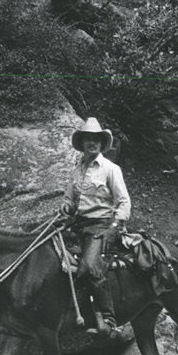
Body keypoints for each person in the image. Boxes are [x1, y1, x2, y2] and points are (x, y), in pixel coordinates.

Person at [58, 117, 130, 338]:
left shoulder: (110, 169)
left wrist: (115, 226)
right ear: (83, 143)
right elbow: (69, 199)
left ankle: (109, 319)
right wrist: (65, 207)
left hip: (101, 226)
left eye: (96, 139)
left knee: (89, 266)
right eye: (89, 139)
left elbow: (124, 202)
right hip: (78, 226)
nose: (93, 143)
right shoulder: (76, 171)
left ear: (101, 143)